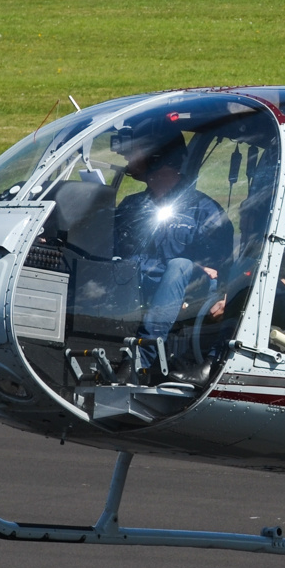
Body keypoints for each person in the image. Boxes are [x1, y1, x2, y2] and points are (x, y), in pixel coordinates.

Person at [113, 120, 231, 377]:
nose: (125, 157)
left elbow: (217, 275)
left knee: (179, 267)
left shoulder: (206, 213)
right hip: (134, 289)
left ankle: (140, 360)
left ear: (157, 155)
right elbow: (113, 258)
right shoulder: (130, 207)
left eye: (133, 151)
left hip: (190, 294)